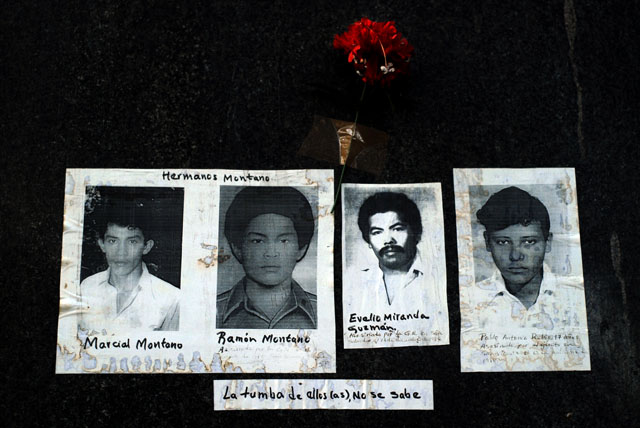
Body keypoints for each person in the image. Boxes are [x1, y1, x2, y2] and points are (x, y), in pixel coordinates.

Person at [468, 186, 582, 330]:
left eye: (529, 242)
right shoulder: (470, 301)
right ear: (487, 242)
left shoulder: (577, 296)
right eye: (503, 242)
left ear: (548, 242)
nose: (515, 255)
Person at [216, 186, 317, 329]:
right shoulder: (213, 311)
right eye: (257, 241)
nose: (271, 253)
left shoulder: (321, 311)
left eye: (283, 241)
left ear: (301, 249)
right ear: (237, 248)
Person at [79, 196, 180, 333]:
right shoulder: (86, 287)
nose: (121, 252)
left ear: (146, 247)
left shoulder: (171, 298)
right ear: (102, 244)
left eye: (132, 242)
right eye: (113, 241)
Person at [349, 192, 426, 309]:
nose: (388, 240)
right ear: (368, 241)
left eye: (397, 229)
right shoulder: (353, 281)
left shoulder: (437, 276)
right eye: (377, 232)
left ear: (416, 233)